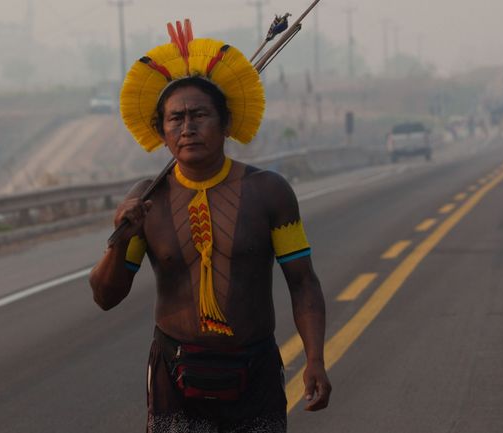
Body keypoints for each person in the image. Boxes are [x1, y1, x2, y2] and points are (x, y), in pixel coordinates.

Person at [88, 20, 331, 432]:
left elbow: (302, 282)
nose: (188, 128)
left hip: (255, 373)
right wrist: (119, 243)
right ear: (161, 133)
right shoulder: (147, 201)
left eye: (200, 115)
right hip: (174, 376)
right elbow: (105, 297)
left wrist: (315, 360)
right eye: (175, 119)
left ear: (225, 123)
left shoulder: (270, 192)